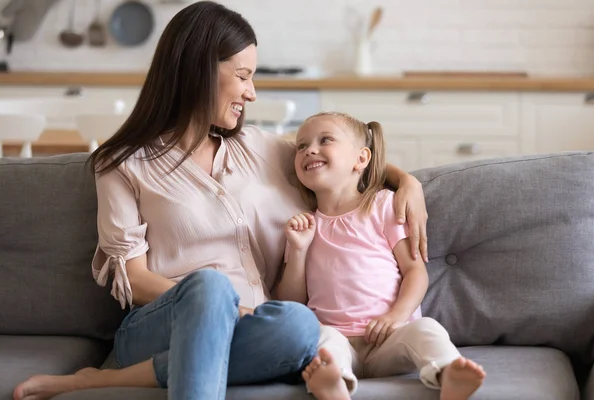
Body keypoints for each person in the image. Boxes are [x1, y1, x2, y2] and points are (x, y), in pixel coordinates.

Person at [13, 3, 429, 400]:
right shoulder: (122, 164)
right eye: (244, 75)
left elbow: (336, 162)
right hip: (162, 324)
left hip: (256, 328)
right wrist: (231, 310)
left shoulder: (259, 148)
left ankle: (99, 383)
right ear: (199, 71)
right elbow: (135, 281)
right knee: (210, 288)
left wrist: (405, 180)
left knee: (300, 325)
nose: (251, 93)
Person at [275, 112, 486, 400]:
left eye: (325, 140)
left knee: (426, 329)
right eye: (301, 146)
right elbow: (290, 303)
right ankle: (334, 384)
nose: (309, 149)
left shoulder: (384, 205)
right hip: (339, 339)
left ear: (361, 159)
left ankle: (448, 373)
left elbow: (415, 272)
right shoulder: (305, 225)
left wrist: (396, 317)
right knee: (324, 340)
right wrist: (298, 249)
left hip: (389, 338)